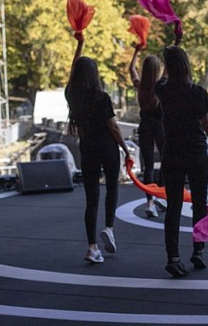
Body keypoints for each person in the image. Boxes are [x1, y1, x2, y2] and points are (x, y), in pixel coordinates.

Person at [154, 43, 208, 277]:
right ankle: (198, 249)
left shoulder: (162, 90)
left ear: (168, 68)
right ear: (187, 66)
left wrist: (170, 55)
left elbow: (163, 78)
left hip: (172, 153)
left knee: (173, 207)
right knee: (199, 203)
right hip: (196, 153)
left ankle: (172, 257)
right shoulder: (197, 93)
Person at [65, 32, 131, 264]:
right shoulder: (101, 97)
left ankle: (91, 247)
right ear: (94, 75)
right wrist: (126, 149)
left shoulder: (72, 95)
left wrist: (81, 43)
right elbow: (113, 127)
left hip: (88, 148)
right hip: (107, 147)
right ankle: (110, 228)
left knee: (91, 198)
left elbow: (74, 73)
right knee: (112, 187)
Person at [129, 45, 165, 218]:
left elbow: (131, 68)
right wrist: (176, 42)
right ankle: (161, 194)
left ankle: (150, 202)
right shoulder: (160, 85)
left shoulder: (139, 85)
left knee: (148, 165)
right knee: (166, 161)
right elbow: (170, 65)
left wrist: (136, 51)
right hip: (160, 127)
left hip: (145, 127)